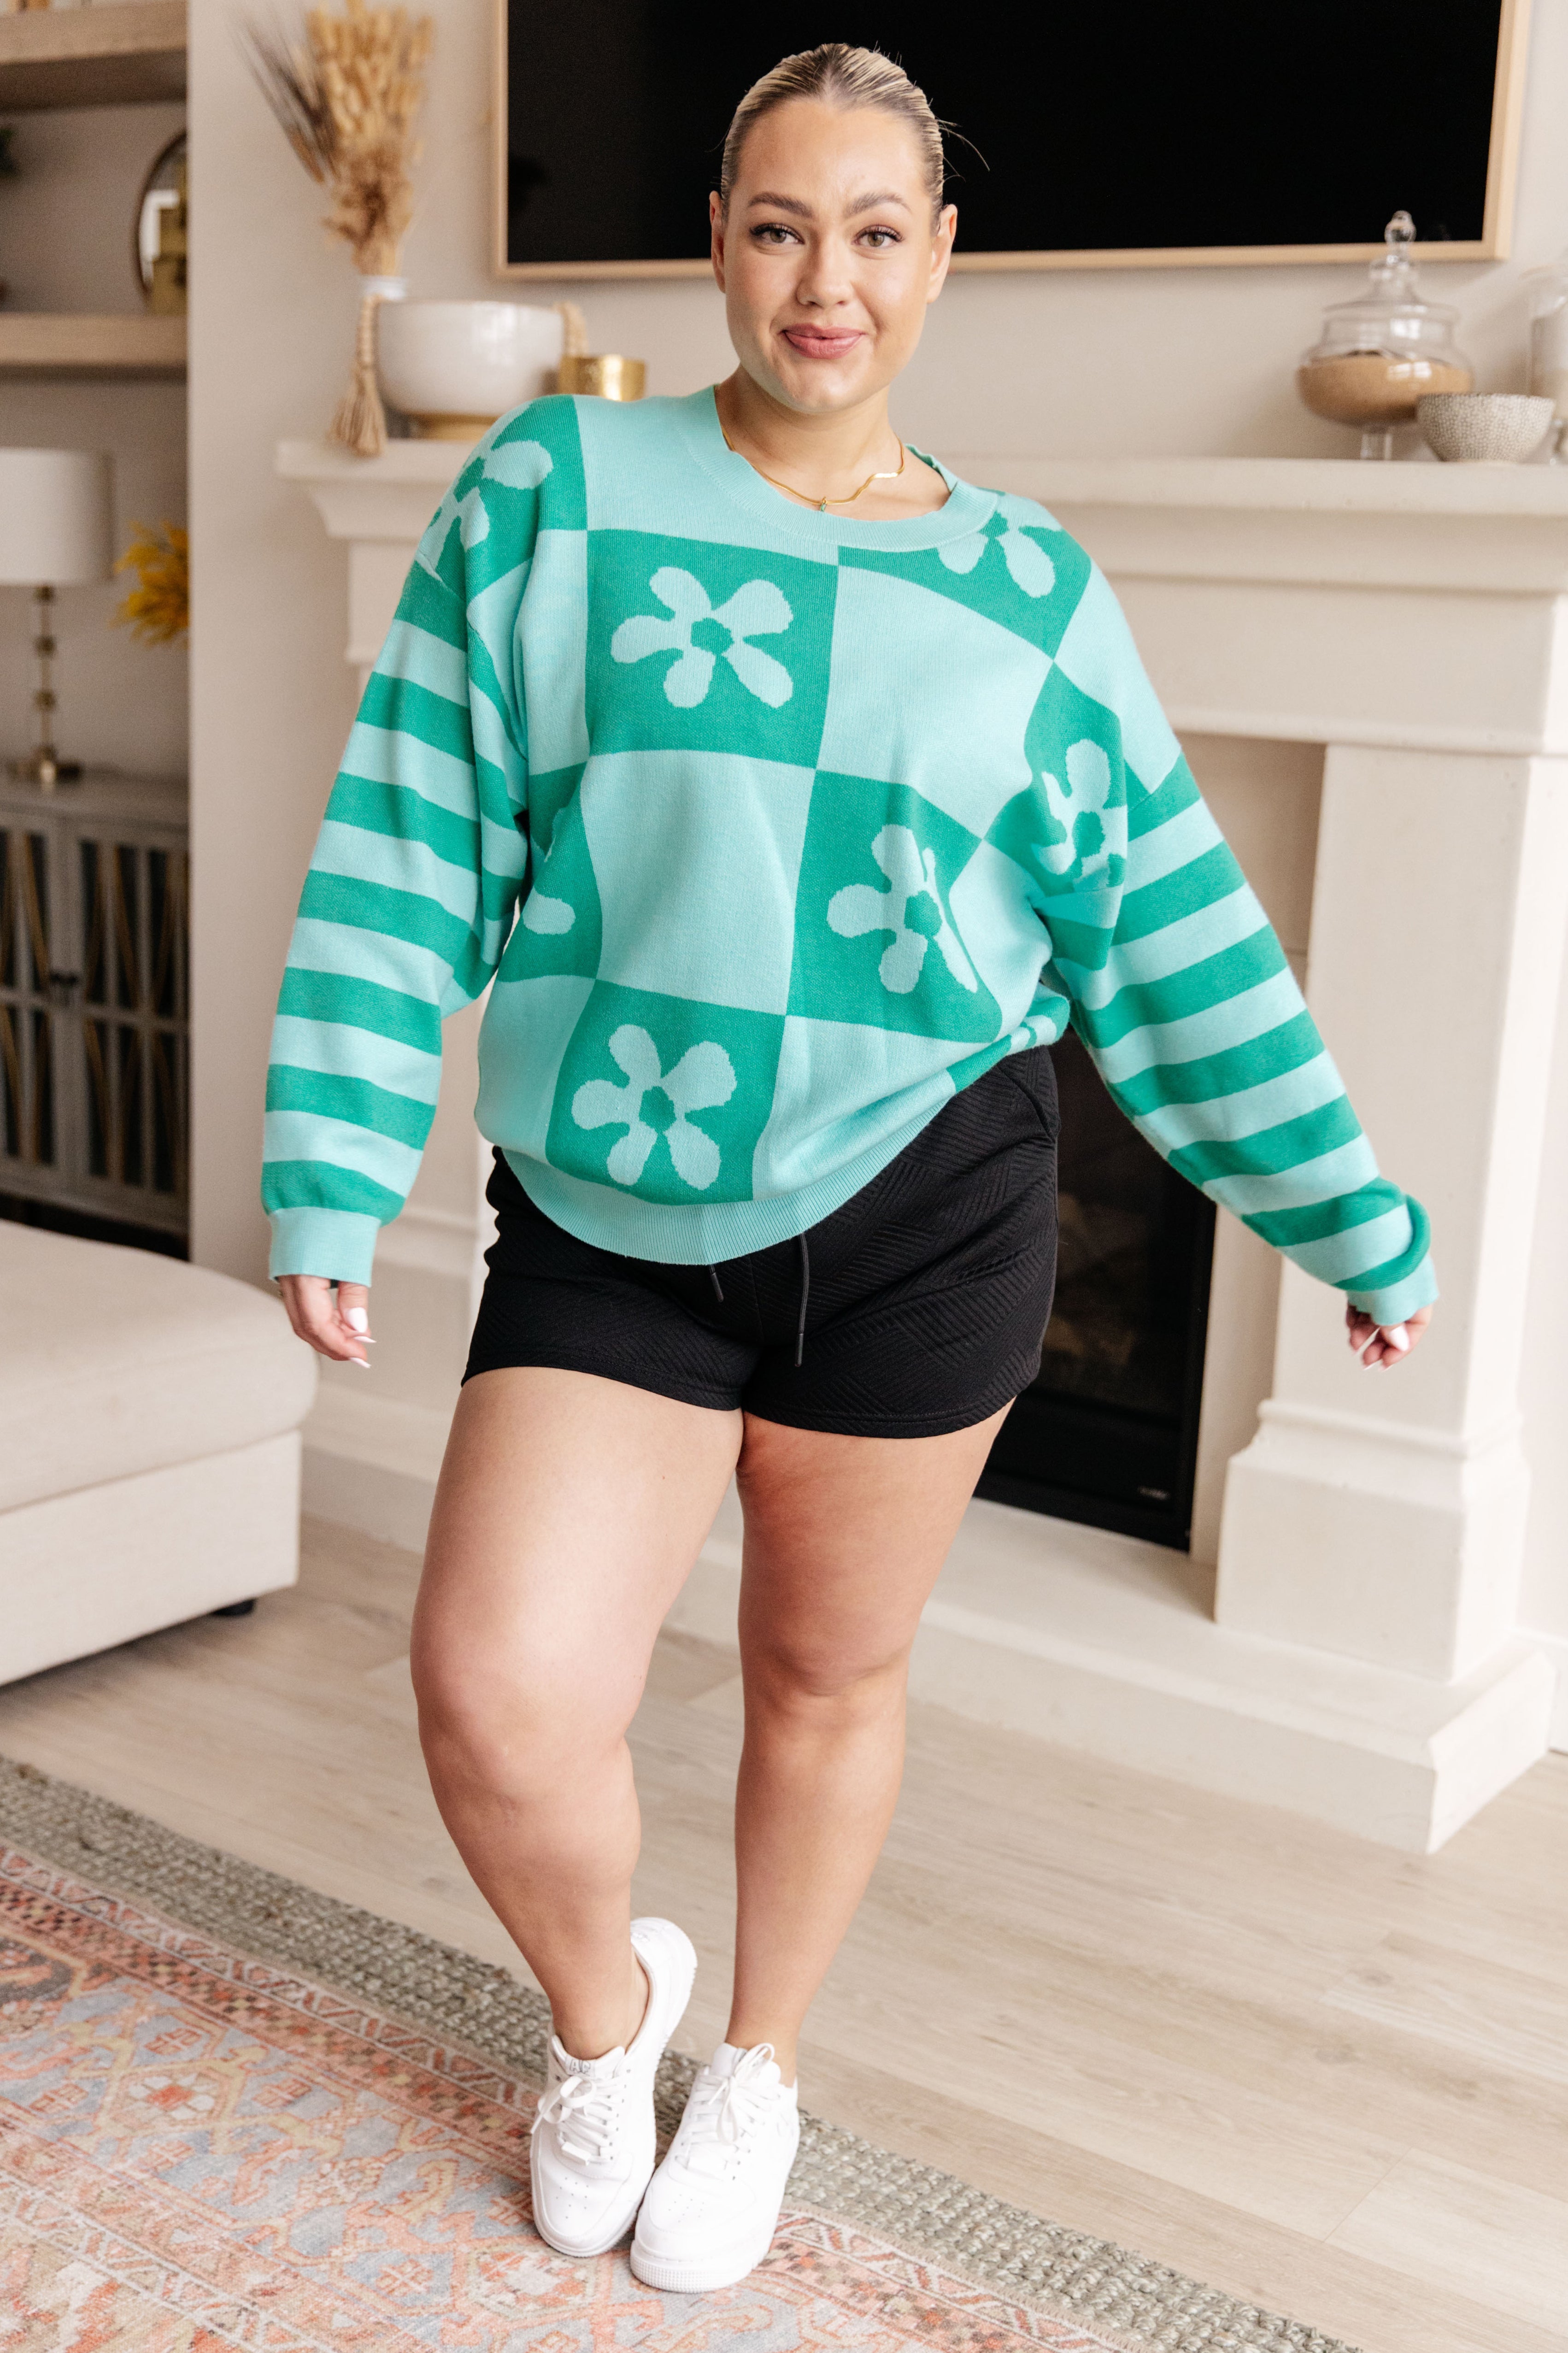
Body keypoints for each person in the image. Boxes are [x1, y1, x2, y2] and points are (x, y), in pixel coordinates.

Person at [264, 42, 1435, 2295]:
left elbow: (1174, 941)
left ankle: (761, 2065)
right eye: (782, 226)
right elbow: (411, 831)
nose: (826, 280)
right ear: (717, 240)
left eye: (876, 232)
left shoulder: (1027, 592)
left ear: (937, 258)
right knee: (497, 1691)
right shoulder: (557, 493)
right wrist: (331, 1158)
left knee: (824, 1676)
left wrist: (1349, 1220)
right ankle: (605, 2022)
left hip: (927, 1207)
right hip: (614, 1211)